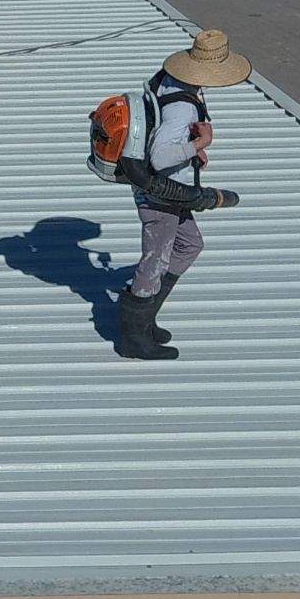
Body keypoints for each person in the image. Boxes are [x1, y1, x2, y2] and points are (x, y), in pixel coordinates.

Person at [120, 29, 251, 361]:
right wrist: (198, 144)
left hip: (170, 192)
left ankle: (146, 318)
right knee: (155, 261)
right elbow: (160, 157)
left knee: (190, 245)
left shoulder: (169, 80)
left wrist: (191, 153)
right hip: (161, 195)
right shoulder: (183, 107)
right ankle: (133, 336)